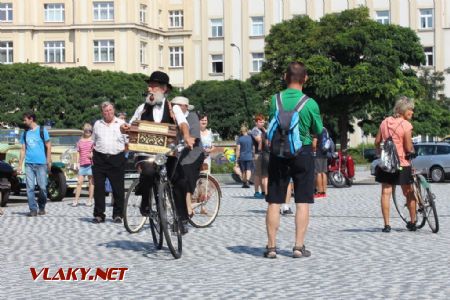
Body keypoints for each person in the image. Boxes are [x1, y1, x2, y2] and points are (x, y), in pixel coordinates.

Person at [121, 71, 195, 234]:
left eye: (153, 86)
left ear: (164, 89)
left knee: (180, 180)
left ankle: (181, 219)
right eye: (149, 86)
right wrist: (126, 128)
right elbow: (132, 125)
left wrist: (187, 136)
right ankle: (145, 202)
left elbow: (183, 124)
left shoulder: (173, 108)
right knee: (147, 172)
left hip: (167, 153)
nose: (150, 89)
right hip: (146, 152)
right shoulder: (142, 107)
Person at [265, 62, 323, 259]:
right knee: (302, 201)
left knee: (274, 201)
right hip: (302, 152)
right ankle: (298, 247)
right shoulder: (310, 103)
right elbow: (317, 129)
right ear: (305, 78)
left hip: (278, 153)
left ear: (284, 76)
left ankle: (271, 247)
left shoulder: (275, 100)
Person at [374, 96, 416, 233]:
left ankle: (386, 225)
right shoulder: (406, 125)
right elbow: (408, 147)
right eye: (410, 109)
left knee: (385, 193)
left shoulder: (384, 122)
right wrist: (412, 152)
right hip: (402, 163)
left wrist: (380, 154)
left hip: (387, 163)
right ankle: (412, 222)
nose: (412, 112)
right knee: (408, 192)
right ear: (404, 110)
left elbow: (377, 141)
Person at [91, 101, 127, 224]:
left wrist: (123, 155)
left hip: (116, 157)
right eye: (106, 111)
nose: (108, 113)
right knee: (99, 188)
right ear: (102, 112)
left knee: (118, 189)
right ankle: (99, 214)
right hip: (100, 158)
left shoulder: (121, 124)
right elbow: (93, 141)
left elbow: (128, 142)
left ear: (114, 111)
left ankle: (118, 214)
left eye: (110, 110)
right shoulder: (97, 124)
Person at [17, 112, 52, 217]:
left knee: (42, 187)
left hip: (41, 163)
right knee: (30, 187)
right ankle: (33, 209)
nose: (24, 122)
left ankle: (42, 206)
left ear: (31, 119)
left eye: (25, 120)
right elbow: (23, 150)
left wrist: (48, 160)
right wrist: (20, 165)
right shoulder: (25, 133)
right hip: (29, 164)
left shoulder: (42, 130)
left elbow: (49, 146)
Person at [73, 123, 94, 207]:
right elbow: (78, 152)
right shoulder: (80, 141)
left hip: (90, 164)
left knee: (91, 182)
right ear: (84, 131)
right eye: (86, 130)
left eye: (89, 131)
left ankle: (90, 200)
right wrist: (77, 162)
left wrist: (92, 153)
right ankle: (76, 200)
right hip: (82, 164)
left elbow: (95, 150)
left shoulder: (93, 141)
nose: (88, 132)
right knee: (79, 182)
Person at [251, 114, 269, 198]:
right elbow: (259, 140)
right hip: (258, 154)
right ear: (256, 122)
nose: (262, 123)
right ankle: (256, 191)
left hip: (264, 153)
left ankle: (263, 191)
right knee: (258, 173)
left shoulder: (262, 130)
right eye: (260, 122)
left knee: (263, 174)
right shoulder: (255, 130)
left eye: (263, 121)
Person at [312, 127, 331, 198]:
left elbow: (314, 144)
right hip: (325, 153)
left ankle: (319, 192)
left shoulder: (317, 129)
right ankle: (324, 192)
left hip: (318, 154)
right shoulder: (325, 129)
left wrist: (313, 150)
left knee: (318, 173)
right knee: (324, 172)